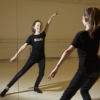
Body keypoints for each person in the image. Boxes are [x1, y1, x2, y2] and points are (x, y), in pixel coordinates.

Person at [0, 13, 58, 97]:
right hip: (33, 58)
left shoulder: (43, 35)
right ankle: (7, 88)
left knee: (41, 74)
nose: (39, 27)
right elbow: (23, 46)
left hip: (41, 58)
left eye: (40, 25)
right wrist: (15, 55)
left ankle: (35, 87)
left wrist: (51, 17)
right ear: (34, 27)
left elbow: (47, 25)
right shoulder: (31, 37)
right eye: (37, 25)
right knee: (21, 73)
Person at [48, 7, 100, 100]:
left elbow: (67, 51)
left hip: (85, 69)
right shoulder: (98, 32)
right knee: (84, 90)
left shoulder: (81, 35)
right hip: (97, 68)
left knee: (68, 93)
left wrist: (56, 67)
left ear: (85, 18)